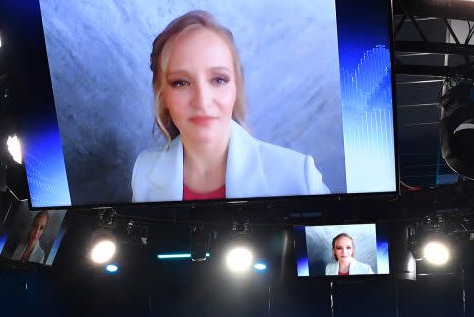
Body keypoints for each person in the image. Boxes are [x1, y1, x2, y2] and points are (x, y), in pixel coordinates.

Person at [132, 10, 329, 202]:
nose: (202, 101)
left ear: (236, 87)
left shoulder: (298, 176)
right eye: (180, 82)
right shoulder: (144, 170)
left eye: (218, 80)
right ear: (162, 95)